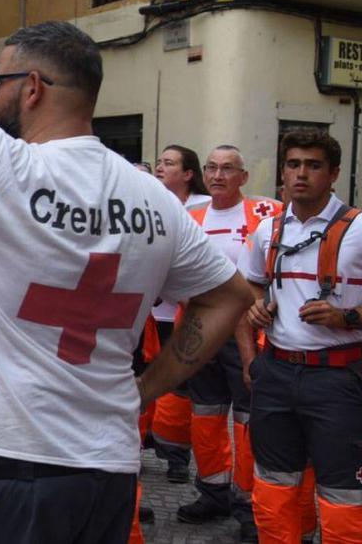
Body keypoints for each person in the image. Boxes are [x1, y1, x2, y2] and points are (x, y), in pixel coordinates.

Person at [0, 4, 255, 541]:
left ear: (34, 87)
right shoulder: (154, 200)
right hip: (106, 470)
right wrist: (144, 389)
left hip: (5, 469)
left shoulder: (5, 168)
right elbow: (229, 297)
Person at [240, 129, 362, 544]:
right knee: (273, 487)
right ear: (283, 173)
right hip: (275, 370)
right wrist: (257, 308)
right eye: (293, 164)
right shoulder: (268, 230)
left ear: (334, 174)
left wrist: (350, 315)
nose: (301, 174)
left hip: (336, 379)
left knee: (344, 494)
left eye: (313, 165)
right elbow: (251, 286)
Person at [172, 145, 281, 540]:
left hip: (249, 333)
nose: (218, 175)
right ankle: (213, 491)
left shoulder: (267, 213)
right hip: (201, 330)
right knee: (205, 414)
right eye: (212, 168)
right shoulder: (190, 217)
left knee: (250, 420)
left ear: (243, 177)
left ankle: (250, 503)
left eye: (227, 169)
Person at [148, 143, 209, 484]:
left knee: (181, 390)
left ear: (188, 174)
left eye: (168, 163)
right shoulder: (153, 203)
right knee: (159, 390)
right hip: (156, 316)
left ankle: (178, 458)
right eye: (159, 161)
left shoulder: (203, 208)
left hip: (187, 317)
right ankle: (159, 445)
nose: (160, 167)